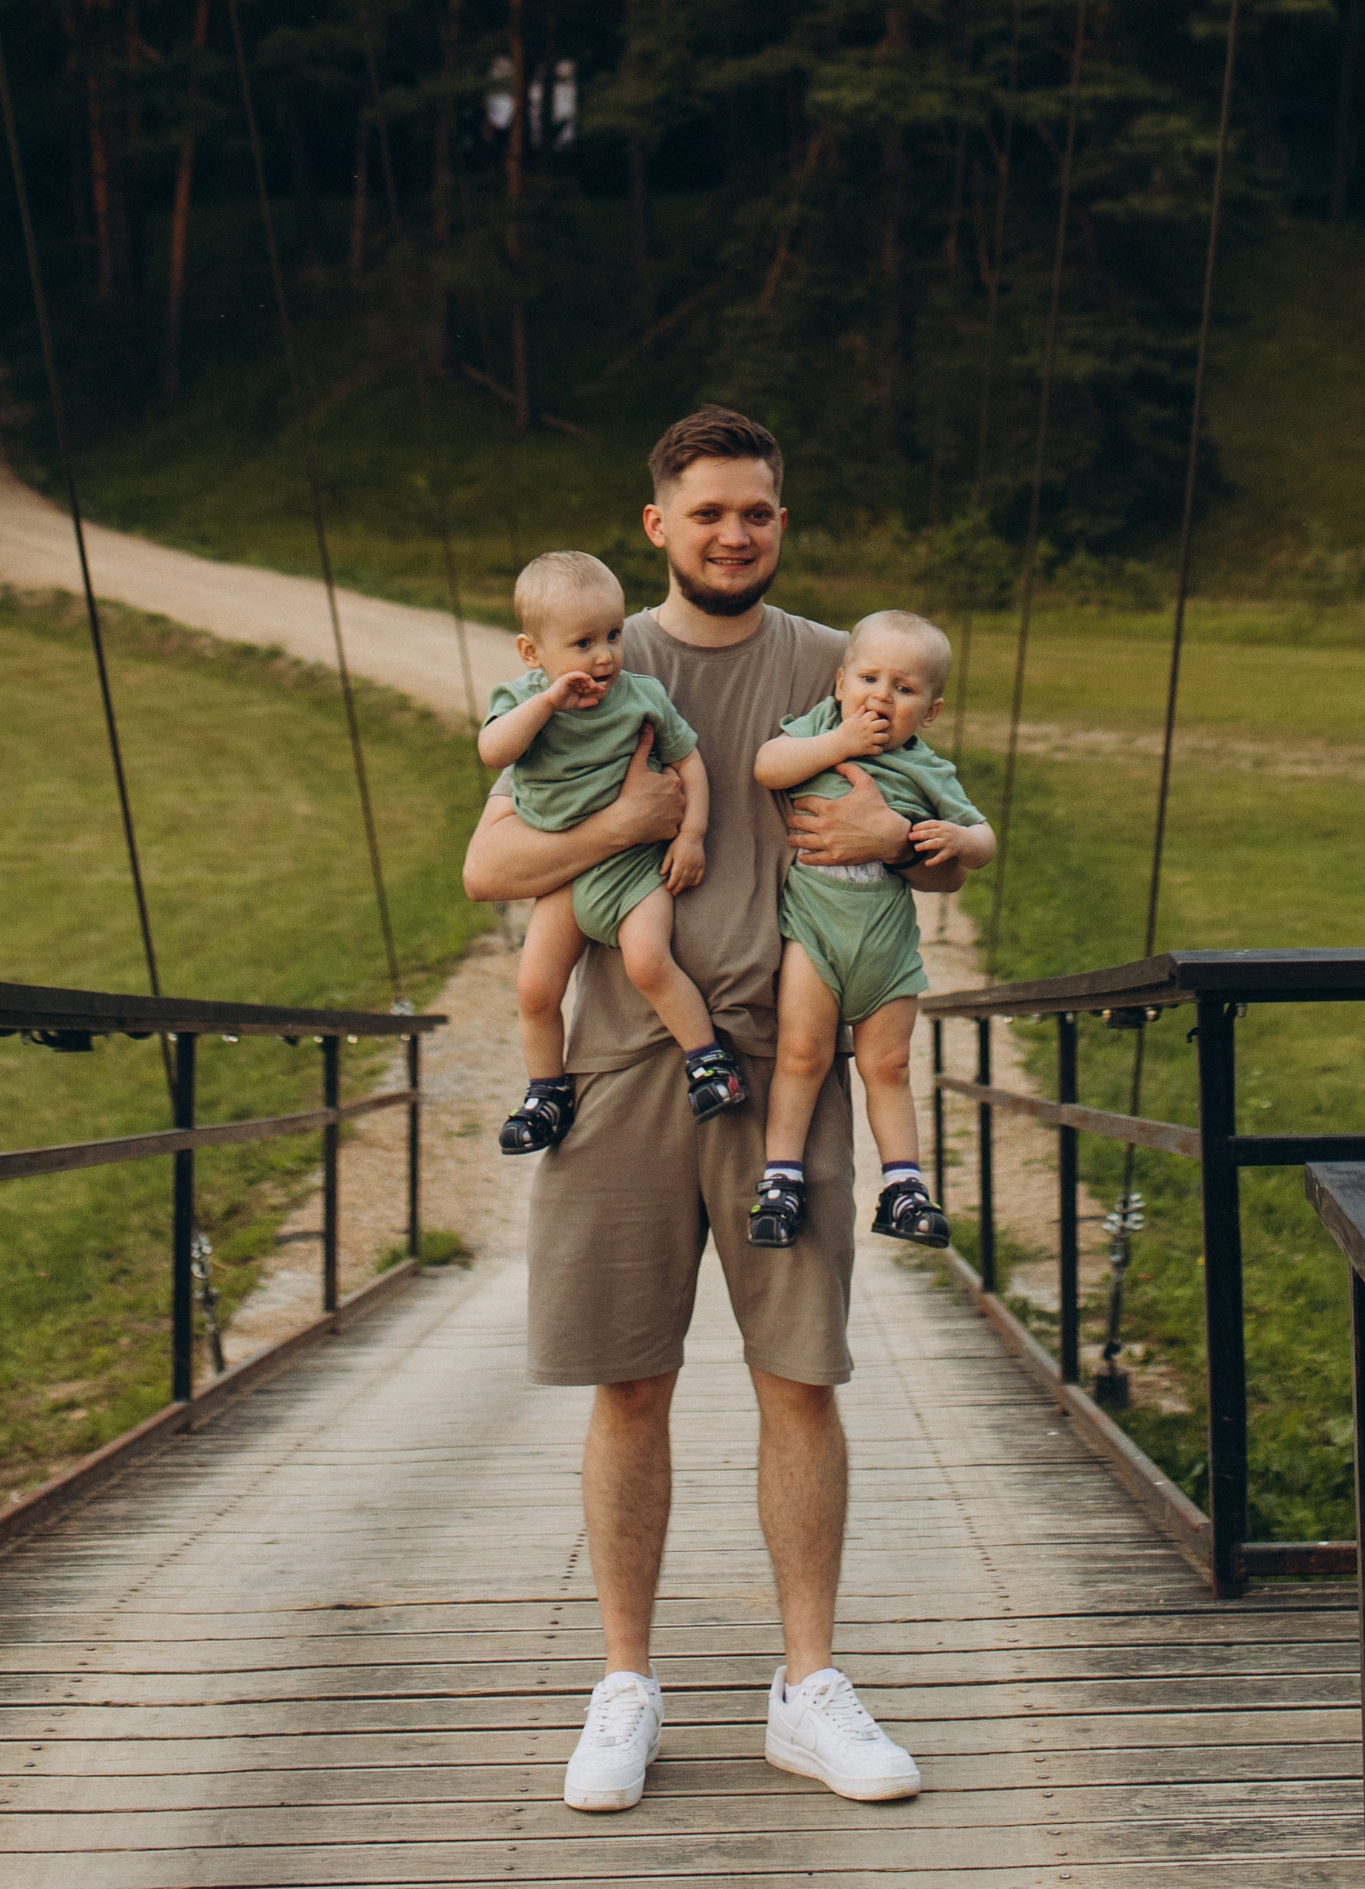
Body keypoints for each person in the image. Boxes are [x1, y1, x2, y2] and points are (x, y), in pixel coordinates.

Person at [461, 404, 948, 1818]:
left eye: (760, 511)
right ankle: (627, 1682)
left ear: (780, 525)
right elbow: (488, 868)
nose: (736, 532)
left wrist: (900, 841)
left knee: (798, 1375)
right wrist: (621, 826)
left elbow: (951, 837)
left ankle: (808, 1687)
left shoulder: (837, 664)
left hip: (781, 1077)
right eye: (709, 511)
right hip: (619, 1071)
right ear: (658, 525)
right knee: (633, 1378)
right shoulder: (598, 655)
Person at [477, 549, 748, 1148]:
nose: (603, 656)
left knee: (648, 962)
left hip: (632, 871)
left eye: (614, 635)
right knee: (535, 987)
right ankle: (546, 1092)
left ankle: (710, 1064)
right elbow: (493, 751)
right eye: (581, 643)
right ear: (532, 654)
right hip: (566, 875)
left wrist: (692, 835)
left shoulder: (639, 695)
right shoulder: (524, 701)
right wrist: (547, 703)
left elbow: (689, 763)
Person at [747, 611, 993, 1251]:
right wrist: (840, 744)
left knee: (889, 1064)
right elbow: (770, 766)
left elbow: (983, 842)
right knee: (802, 1055)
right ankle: (780, 1179)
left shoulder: (926, 769)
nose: (881, 696)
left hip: (886, 943)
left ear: (930, 713)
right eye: (869, 678)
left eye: (904, 688)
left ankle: (904, 1187)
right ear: (839, 684)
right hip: (815, 935)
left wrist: (958, 838)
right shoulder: (822, 732)